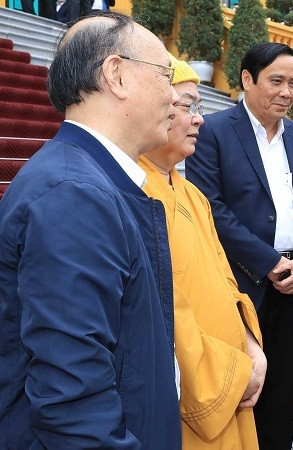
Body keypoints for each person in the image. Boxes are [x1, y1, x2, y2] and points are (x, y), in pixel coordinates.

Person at [0, 12, 181, 447]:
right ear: (116, 74)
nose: (175, 96)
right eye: (166, 75)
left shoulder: (88, 181)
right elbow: (72, 402)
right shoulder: (74, 195)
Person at [185, 42, 293, 450]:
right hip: (243, 285)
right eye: (277, 81)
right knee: (240, 393)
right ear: (247, 80)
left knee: (282, 397)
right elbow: (209, 207)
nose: (287, 92)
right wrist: (268, 264)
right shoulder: (213, 130)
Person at [138, 55, 267, 448]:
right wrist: (226, 373)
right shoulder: (134, 192)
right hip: (194, 387)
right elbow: (161, 303)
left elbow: (224, 277)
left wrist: (250, 345)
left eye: (199, 107)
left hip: (234, 369)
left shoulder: (193, 193)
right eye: (187, 106)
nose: (199, 119)